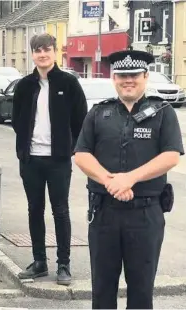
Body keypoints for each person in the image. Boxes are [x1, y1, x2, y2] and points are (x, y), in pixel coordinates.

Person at [73, 49, 183, 309]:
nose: (128, 80)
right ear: (114, 79)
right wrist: (110, 181)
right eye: (122, 75)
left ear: (145, 76)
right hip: (104, 214)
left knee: (141, 290)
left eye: (134, 74)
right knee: (102, 289)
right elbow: (81, 154)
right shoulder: (99, 113)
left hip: (145, 215)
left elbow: (171, 156)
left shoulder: (163, 113)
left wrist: (129, 179)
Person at [11, 33, 88, 285]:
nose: (42, 54)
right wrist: (25, 145)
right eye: (37, 50)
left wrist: (70, 148)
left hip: (58, 161)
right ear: (32, 54)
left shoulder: (68, 83)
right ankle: (39, 261)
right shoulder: (24, 85)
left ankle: (63, 265)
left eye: (46, 49)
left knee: (60, 211)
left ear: (55, 52)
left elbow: (81, 120)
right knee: (35, 210)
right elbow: (16, 120)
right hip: (31, 160)